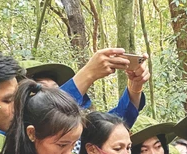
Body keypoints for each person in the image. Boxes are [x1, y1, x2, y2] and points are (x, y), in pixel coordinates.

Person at [21, 48, 149, 127]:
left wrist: (135, 86)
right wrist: (88, 73)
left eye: (55, 89)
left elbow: (112, 125)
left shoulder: (75, 132)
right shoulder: (14, 138)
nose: (52, 95)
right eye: (41, 90)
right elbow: (47, 115)